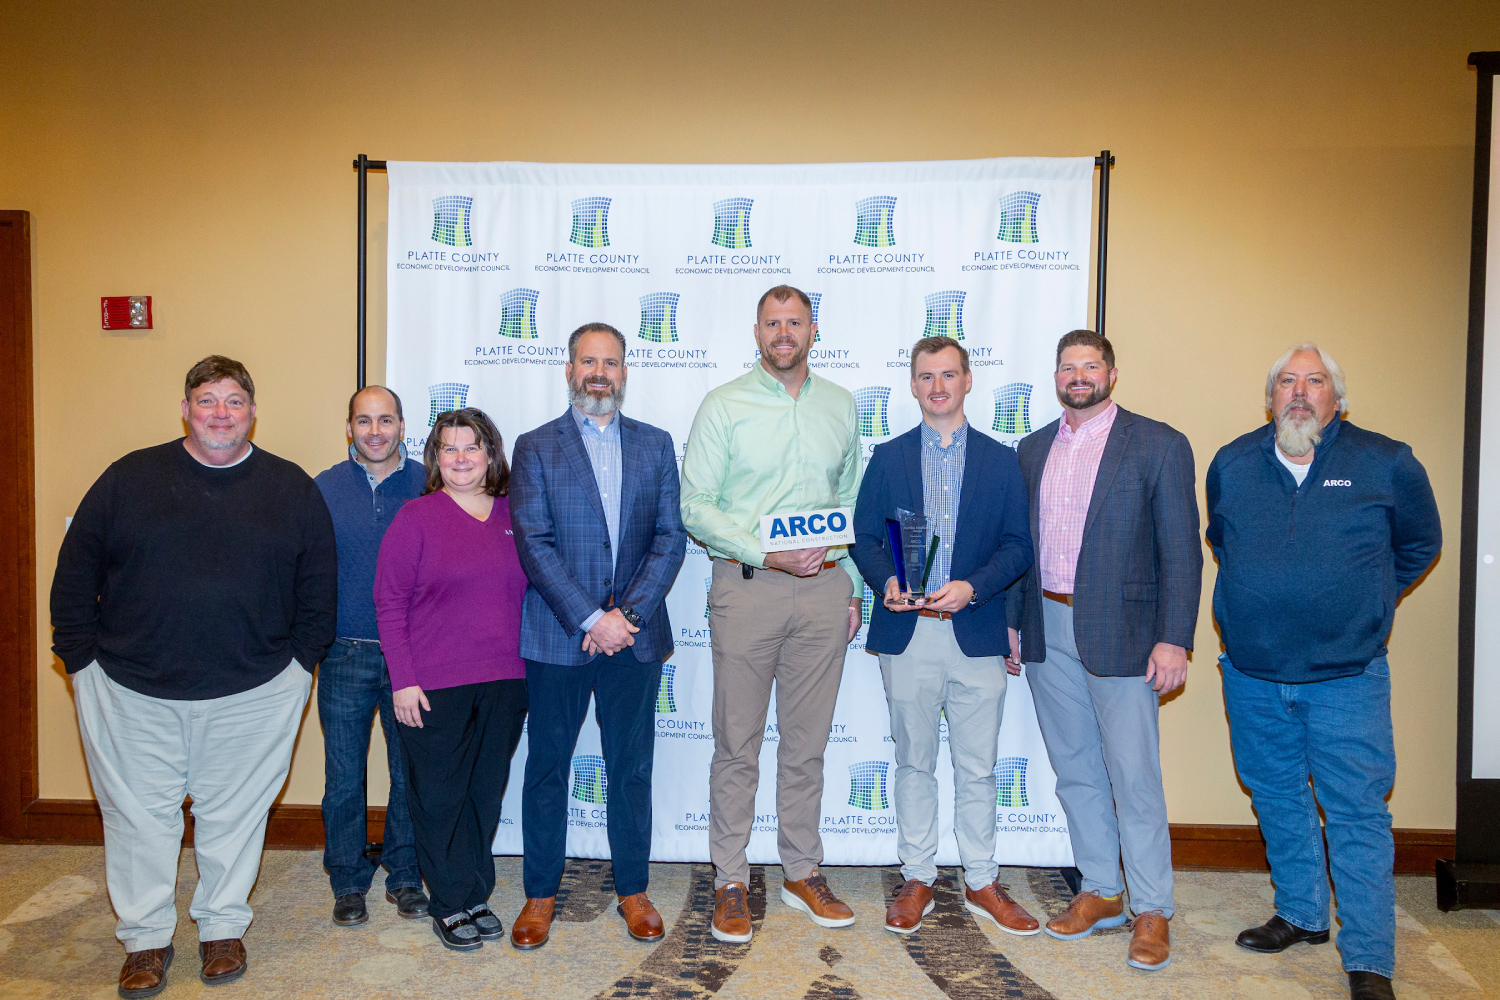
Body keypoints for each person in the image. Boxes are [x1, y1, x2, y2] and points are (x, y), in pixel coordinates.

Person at [50, 355, 337, 997]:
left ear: (253, 412)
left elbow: (318, 588)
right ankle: (145, 939)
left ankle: (223, 928)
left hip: (257, 690)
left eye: (234, 401)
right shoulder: (128, 479)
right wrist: (80, 661)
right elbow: (75, 573)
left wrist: (300, 665)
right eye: (207, 400)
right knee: (137, 819)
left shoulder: (291, 488)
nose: (220, 413)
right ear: (185, 410)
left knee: (236, 816)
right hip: (128, 687)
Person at [1206, 344, 1440, 1000]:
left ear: (1337, 397)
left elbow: (1420, 543)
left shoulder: (1386, 462)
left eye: (1315, 381)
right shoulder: (1232, 462)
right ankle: (1301, 914)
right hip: (1252, 674)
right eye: (1287, 381)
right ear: (1271, 398)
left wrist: (1367, 599)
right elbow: (1223, 541)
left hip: (1347, 677)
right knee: (1276, 796)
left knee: (1356, 813)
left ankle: (1369, 957)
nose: (1300, 392)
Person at [1004, 329, 1201, 972]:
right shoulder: (1032, 448)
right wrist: (1013, 621)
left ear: (1112, 375)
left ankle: (1152, 907)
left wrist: (1174, 638)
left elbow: (1181, 550)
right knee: (1076, 771)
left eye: (1091, 365)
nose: (1078, 376)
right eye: (1068, 366)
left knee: (1134, 775)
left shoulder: (1159, 443)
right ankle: (1102, 891)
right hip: (1047, 626)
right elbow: (1019, 546)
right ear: (1056, 377)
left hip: (1127, 634)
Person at [681, 284, 864, 944]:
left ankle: (802, 871)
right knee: (738, 744)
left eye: (795, 322)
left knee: (807, 746)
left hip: (824, 590)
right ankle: (731, 879)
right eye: (772, 323)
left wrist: (853, 586)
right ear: (756, 332)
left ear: (814, 330)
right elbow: (696, 505)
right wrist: (767, 553)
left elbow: (850, 499)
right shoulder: (723, 405)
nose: (784, 333)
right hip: (749, 586)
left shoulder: (841, 405)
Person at [507, 322, 687, 949]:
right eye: (589, 361)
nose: (600, 373)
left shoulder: (656, 444)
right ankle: (540, 894)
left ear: (624, 372)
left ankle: (633, 890)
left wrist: (624, 618)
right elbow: (534, 543)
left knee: (631, 769)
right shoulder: (534, 446)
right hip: (559, 636)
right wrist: (591, 618)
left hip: (634, 638)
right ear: (569, 369)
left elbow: (670, 538)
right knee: (547, 768)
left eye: (611, 362)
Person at [852, 336, 1038, 936]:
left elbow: (1019, 546)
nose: (938, 386)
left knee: (978, 767)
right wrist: (885, 581)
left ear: (968, 381)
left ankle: (982, 879)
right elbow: (864, 537)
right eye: (927, 376)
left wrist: (973, 588)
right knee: (914, 763)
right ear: (912, 385)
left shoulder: (1001, 460)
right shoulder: (888, 457)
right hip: (909, 633)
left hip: (975, 631)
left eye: (948, 375)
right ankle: (918, 877)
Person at [374, 408, 529, 952]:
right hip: (433, 685)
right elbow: (389, 604)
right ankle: (447, 902)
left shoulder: (515, 514)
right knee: (439, 797)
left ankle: (475, 893)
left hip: (507, 679)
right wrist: (402, 680)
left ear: (491, 454)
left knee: (484, 793)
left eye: (472, 447)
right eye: (449, 448)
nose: (461, 458)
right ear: (435, 458)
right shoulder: (415, 518)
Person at [313, 386, 429, 926]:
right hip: (345, 652)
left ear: (403, 426)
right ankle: (348, 880)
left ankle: (405, 875)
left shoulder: (430, 482)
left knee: (410, 774)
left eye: (386, 420)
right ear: (349, 427)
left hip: (414, 654)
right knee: (343, 775)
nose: (375, 431)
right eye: (364, 421)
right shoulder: (324, 488)